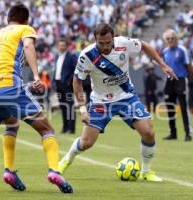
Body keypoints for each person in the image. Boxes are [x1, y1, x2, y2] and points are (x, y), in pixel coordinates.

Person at [58, 23, 177, 182]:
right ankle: (66, 160)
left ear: (113, 38)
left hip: (126, 97)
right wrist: (82, 109)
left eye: (108, 42)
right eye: (102, 43)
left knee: (148, 132)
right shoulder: (87, 55)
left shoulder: (123, 43)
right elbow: (77, 82)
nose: (106, 46)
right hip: (100, 101)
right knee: (87, 142)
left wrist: (162, 64)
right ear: (95, 40)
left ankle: (146, 171)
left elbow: (144, 46)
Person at [0, 3, 72, 193]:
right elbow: (28, 45)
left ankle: (9, 171)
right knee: (46, 128)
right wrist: (37, 76)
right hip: (8, 85)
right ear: (27, 20)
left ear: (7, 19)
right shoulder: (24, 29)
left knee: (12, 124)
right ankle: (54, 171)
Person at [162, 29, 193, 142]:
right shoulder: (165, 51)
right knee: (170, 107)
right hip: (169, 81)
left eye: (172, 38)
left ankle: (188, 133)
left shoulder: (182, 50)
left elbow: (189, 66)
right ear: (165, 41)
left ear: (176, 39)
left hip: (181, 79)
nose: (171, 40)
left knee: (184, 107)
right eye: (168, 38)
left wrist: (189, 78)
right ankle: (172, 132)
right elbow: (164, 66)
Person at [54, 38, 77, 134]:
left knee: (70, 106)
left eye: (63, 45)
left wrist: (69, 81)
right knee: (63, 106)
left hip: (67, 85)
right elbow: (57, 71)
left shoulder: (71, 57)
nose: (61, 47)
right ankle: (65, 127)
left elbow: (76, 69)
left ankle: (71, 128)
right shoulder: (57, 57)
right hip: (58, 84)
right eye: (60, 45)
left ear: (66, 46)